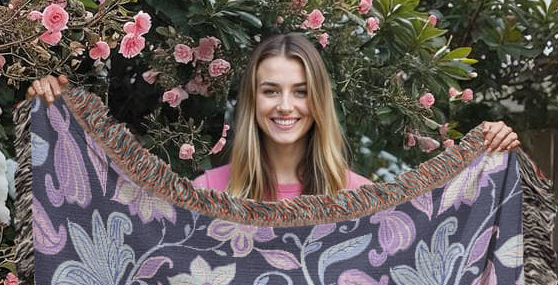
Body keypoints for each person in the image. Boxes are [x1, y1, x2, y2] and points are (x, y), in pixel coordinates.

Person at [27, 33, 519, 201]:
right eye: (271, 91)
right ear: (252, 102)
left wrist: (489, 154)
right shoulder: (206, 195)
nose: (285, 106)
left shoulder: (361, 199)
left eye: (300, 92)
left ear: (318, 102)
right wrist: (60, 119)